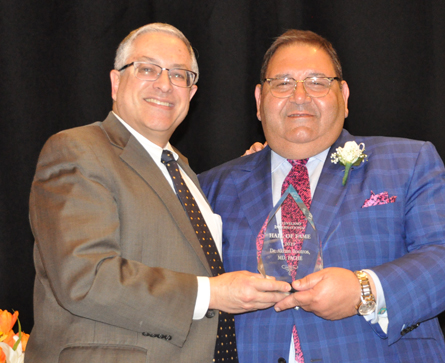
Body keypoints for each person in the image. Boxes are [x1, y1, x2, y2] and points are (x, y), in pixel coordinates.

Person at [199, 30, 445, 363]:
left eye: (317, 81)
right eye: (283, 83)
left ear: (344, 96)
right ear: (259, 101)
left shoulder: (407, 161)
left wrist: (364, 291)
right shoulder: (211, 186)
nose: (299, 95)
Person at [26, 23, 290, 363]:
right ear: (116, 81)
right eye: (147, 69)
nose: (165, 85)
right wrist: (211, 293)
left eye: (179, 75)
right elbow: (85, 279)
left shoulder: (183, 171)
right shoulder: (77, 150)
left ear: (191, 93)